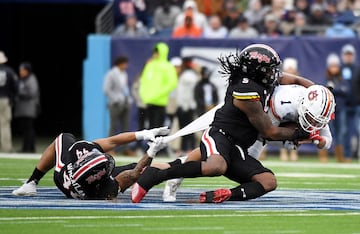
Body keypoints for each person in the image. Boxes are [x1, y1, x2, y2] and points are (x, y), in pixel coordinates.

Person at [131, 44, 316, 203]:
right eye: (269, 69)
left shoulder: (262, 78)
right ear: (256, 70)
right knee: (216, 166)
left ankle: (224, 195)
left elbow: (295, 79)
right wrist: (301, 133)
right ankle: (157, 175)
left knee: (268, 181)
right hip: (220, 135)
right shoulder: (245, 90)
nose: (273, 73)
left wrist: (318, 90)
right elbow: (269, 131)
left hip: (238, 147)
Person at [161, 84, 335, 202]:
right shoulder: (286, 102)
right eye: (311, 118)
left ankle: (180, 168)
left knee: (237, 165)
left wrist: (317, 140)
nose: (314, 123)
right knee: (228, 156)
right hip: (256, 120)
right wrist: (294, 137)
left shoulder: (317, 108)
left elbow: (327, 141)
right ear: (303, 105)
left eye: (317, 120)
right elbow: (268, 131)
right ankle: (178, 170)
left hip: (267, 128)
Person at [12, 126, 169, 199]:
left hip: (68, 175)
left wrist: (143, 134)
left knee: (63, 137)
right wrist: (152, 152)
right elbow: (134, 174)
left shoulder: (77, 153)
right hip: (76, 183)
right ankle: (174, 168)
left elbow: (112, 141)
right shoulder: (103, 191)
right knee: (138, 167)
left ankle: (32, 182)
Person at [139, 42, 178, 130]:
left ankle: (157, 143)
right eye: (154, 52)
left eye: (157, 52)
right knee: (149, 127)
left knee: (158, 127)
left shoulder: (168, 67)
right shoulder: (150, 65)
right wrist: (144, 95)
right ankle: (150, 143)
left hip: (160, 102)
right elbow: (144, 81)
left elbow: (172, 83)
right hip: (149, 101)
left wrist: (159, 93)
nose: (155, 54)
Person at [103, 56, 134, 156]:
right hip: (115, 104)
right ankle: (109, 149)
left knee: (125, 127)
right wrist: (115, 99)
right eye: (124, 63)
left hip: (125, 103)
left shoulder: (124, 74)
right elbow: (106, 89)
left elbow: (124, 88)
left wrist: (128, 99)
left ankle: (126, 148)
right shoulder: (111, 74)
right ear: (119, 63)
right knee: (113, 126)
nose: (126, 66)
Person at [325, 53, 349, 162]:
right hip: (330, 110)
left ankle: (340, 156)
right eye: (332, 66)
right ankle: (323, 155)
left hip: (341, 108)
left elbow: (346, 91)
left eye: (336, 66)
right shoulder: (326, 78)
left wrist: (335, 90)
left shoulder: (341, 78)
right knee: (329, 131)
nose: (334, 68)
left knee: (342, 131)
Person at [14, 62, 40, 153]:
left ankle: (29, 148)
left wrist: (19, 93)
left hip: (29, 109)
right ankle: (26, 147)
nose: (21, 72)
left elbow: (32, 92)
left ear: (27, 71)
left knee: (28, 128)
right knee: (25, 129)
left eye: (22, 70)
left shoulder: (31, 79)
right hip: (23, 109)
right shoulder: (22, 79)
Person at [175, 56, 199, 156]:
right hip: (186, 106)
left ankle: (188, 149)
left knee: (187, 129)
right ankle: (186, 148)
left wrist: (186, 105)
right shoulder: (189, 75)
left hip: (187, 107)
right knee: (185, 129)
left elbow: (189, 93)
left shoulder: (188, 76)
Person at [0, 51, 18, 153]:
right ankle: (6, 148)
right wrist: (12, 97)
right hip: (5, 100)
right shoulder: (9, 71)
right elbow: (16, 86)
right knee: (5, 125)